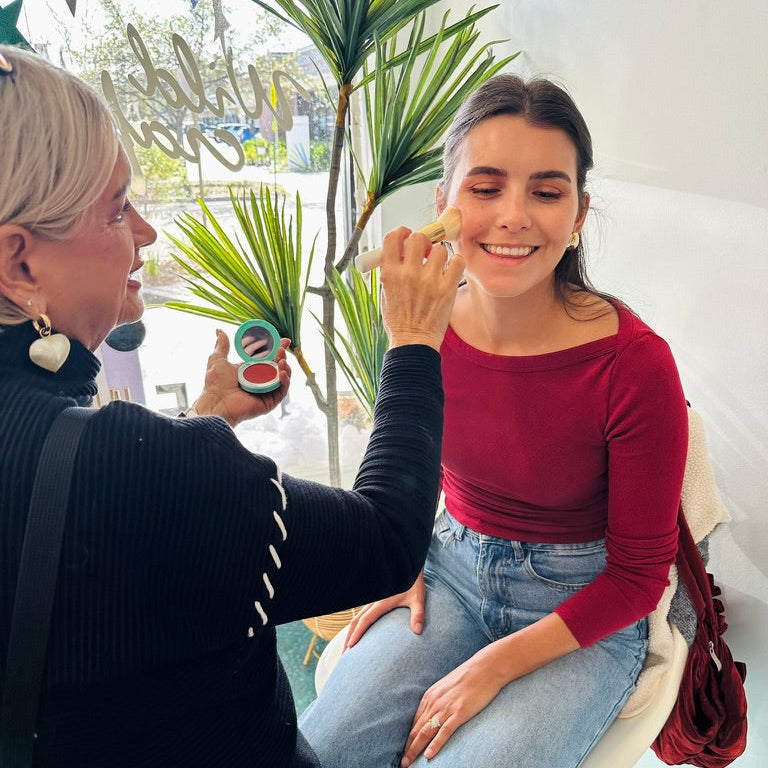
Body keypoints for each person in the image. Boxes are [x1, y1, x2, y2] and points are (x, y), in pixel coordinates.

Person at [0, 45, 464, 767]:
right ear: (19, 263)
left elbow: (92, 538)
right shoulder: (143, 473)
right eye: (119, 209)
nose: (146, 237)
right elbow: (384, 541)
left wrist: (208, 419)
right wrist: (411, 340)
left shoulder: (105, 460)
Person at [299, 74, 690, 768]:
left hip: (585, 610)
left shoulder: (636, 365)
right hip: (450, 568)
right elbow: (404, 455)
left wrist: (493, 666)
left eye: (546, 191)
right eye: (485, 189)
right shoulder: (421, 321)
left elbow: (638, 577)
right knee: (317, 752)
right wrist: (405, 547)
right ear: (443, 205)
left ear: (577, 215)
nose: (514, 216)